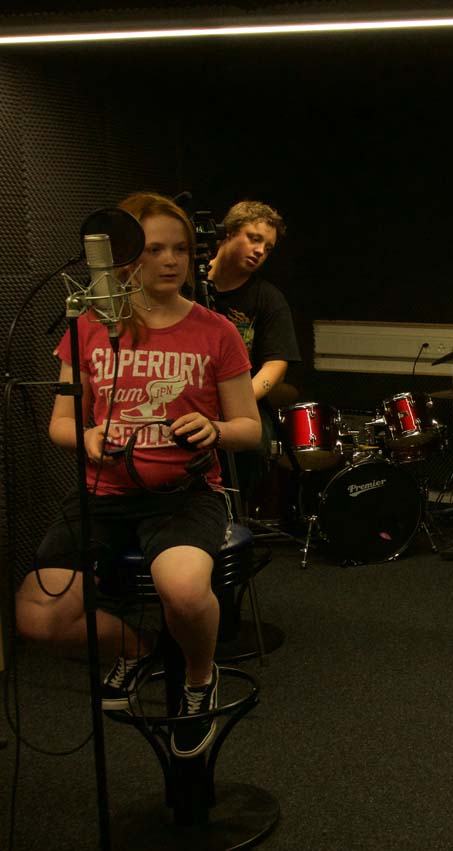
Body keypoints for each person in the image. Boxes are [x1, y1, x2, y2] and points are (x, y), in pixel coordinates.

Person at [15, 192, 261, 759]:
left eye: (181, 249)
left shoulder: (216, 331)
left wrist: (215, 429)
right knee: (38, 617)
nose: (170, 260)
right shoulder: (88, 328)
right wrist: (87, 438)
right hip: (103, 495)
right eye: (154, 249)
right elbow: (60, 424)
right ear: (124, 256)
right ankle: (136, 648)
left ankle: (199, 678)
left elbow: (250, 428)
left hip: (182, 496)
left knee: (185, 591)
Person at [207, 200, 300, 513]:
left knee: (252, 445)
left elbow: (276, 364)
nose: (260, 251)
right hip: (184, 394)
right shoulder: (185, 283)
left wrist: (237, 399)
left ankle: (232, 517)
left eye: (268, 248)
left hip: (240, 400)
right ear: (228, 233)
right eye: (254, 238)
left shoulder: (268, 299)